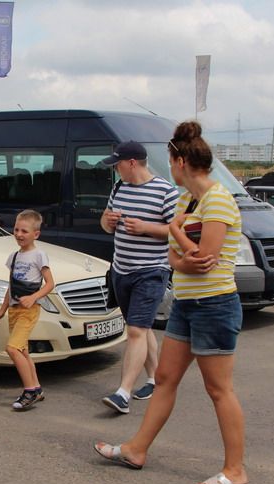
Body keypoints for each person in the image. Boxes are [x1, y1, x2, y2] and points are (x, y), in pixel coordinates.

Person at [93, 121, 248, 484]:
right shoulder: (186, 200)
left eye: (170, 161)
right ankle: (136, 449)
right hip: (186, 303)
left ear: (180, 161)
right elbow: (178, 260)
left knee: (218, 389)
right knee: (164, 378)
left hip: (215, 304)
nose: (169, 168)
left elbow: (203, 256)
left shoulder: (218, 199)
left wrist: (178, 235)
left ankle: (235, 470)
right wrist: (180, 246)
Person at [99, 141, 178, 414]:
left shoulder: (166, 192)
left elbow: (177, 231)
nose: (115, 168)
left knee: (134, 330)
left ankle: (123, 393)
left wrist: (146, 227)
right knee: (141, 328)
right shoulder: (119, 187)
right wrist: (107, 222)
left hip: (151, 270)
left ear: (132, 162)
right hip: (121, 269)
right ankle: (156, 380)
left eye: (117, 163)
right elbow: (105, 222)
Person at [0, 209, 55, 410]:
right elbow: (12, 285)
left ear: (36, 234)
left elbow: (50, 283)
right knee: (23, 350)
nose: (19, 234)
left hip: (29, 311)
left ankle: (29, 391)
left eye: (24, 231)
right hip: (14, 310)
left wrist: (34, 297)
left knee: (12, 348)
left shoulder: (39, 255)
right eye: (17, 230)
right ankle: (36, 388)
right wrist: (2, 309)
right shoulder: (14, 257)